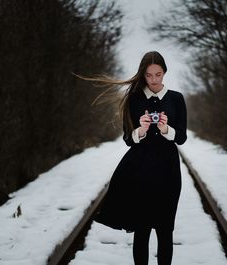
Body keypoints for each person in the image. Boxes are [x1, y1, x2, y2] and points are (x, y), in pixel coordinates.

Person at [80, 51, 187, 265]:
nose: (154, 79)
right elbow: (128, 139)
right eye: (149, 75)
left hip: (168, 172)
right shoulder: (134, 99)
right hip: (141, 171)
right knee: (143, 230)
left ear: (164, 72)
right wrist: (141, 129)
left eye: (158, 74)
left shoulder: (176, 98)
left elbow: (182, 137)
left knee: (165, 230)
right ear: (143, 75)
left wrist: (166, 129)